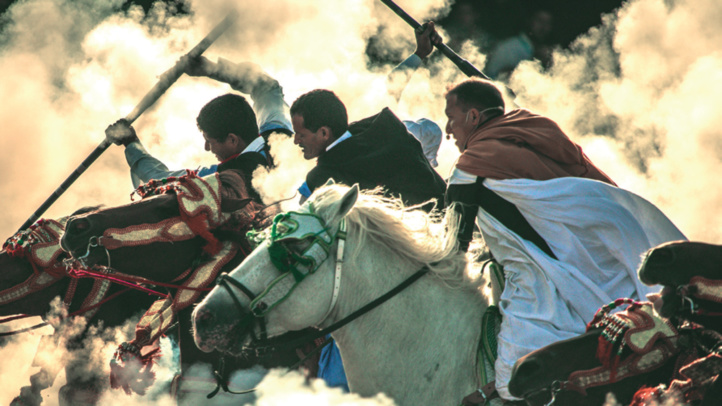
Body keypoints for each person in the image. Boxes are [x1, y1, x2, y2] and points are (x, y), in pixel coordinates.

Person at [443, 78, 686, 400]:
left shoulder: (470, 168)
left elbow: (452, 244)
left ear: (473, 117)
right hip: (612, 258)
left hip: (545, 279)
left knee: (513, 377)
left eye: (451, 117)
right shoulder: (539, 132)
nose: (448, 129)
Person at [105, 56, 293, 201]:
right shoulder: (280, 134)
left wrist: (131, 143)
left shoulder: (221, 176)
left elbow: (160, 180)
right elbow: (267, 88)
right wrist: (213, 69)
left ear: (232, 140)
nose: (207, 148)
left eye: (209, 141)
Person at [291, 88, 447, 210]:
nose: (296, 140)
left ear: (324, 133)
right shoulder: (386, 131)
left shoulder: (320, 178)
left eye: (301, 135)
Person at [484, 8, 554, 81]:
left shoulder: (543, 51)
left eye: (548, 23)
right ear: (529, 21)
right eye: (540, 21)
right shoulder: (510, 47)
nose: (543, 27)